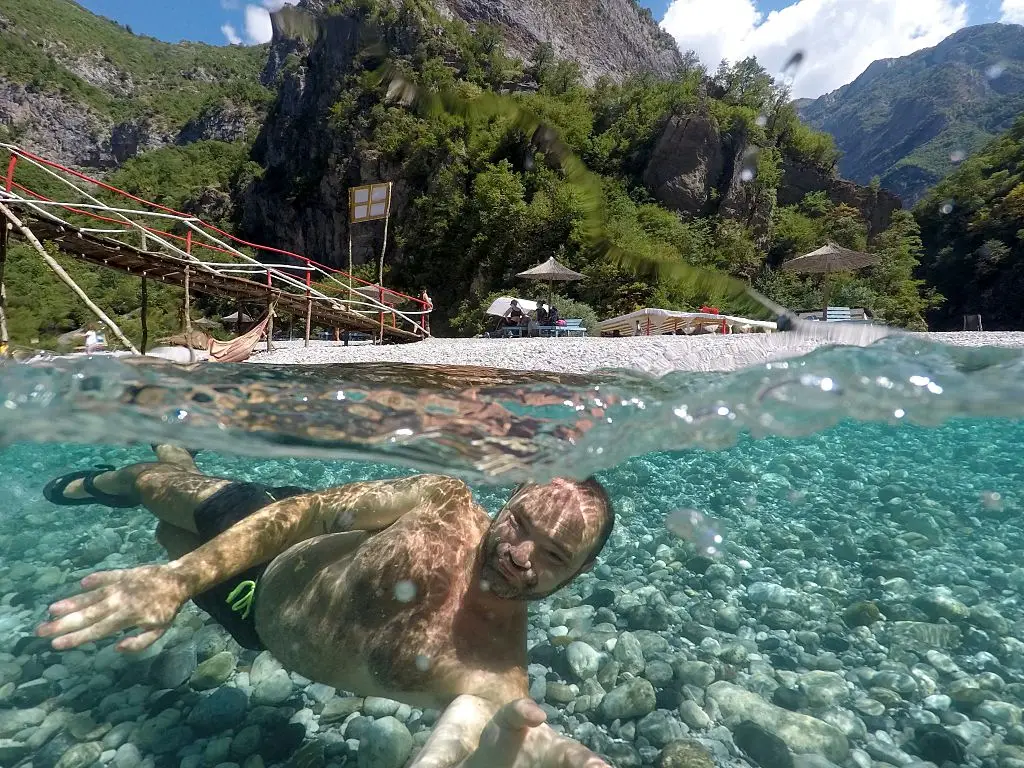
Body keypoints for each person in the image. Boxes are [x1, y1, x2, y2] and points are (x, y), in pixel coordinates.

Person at [38, 446, 614, 768]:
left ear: (580, 572)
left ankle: (180, 457)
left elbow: (473, 738)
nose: (518, 555)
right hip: (273, 541)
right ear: (509, 498)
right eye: (520, 524)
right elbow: (308, 513)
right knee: (151, 486)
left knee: (170, 532)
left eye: (553, 554)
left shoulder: (498, 674)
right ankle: (110, 480)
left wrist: (486, 755)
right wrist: (176, 581)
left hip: (256, 620)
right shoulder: (443, 503)